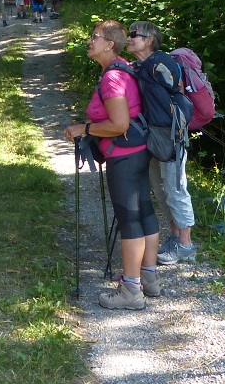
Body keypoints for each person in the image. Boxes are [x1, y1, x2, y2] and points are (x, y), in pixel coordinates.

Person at [63, 20, 161, 308]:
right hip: (138, 150)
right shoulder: (122, 69)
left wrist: (86, 128)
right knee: (144, 211)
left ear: (109, 44)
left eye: (95, 37)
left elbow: (119, 124)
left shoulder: (113, 78)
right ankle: (149, 278)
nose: (90, 41)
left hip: (124, 155)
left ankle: (131, 290)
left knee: (129, 217)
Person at [128, 22, 197, 265]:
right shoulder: (142, 66)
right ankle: (175, 236)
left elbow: (178, 93)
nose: (129, 38)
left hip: (171, 135)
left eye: (134, 34)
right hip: (154, 134)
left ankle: (186, 245)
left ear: (149, 40)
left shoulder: (162, 62)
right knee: (160, 189)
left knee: (176, 188)